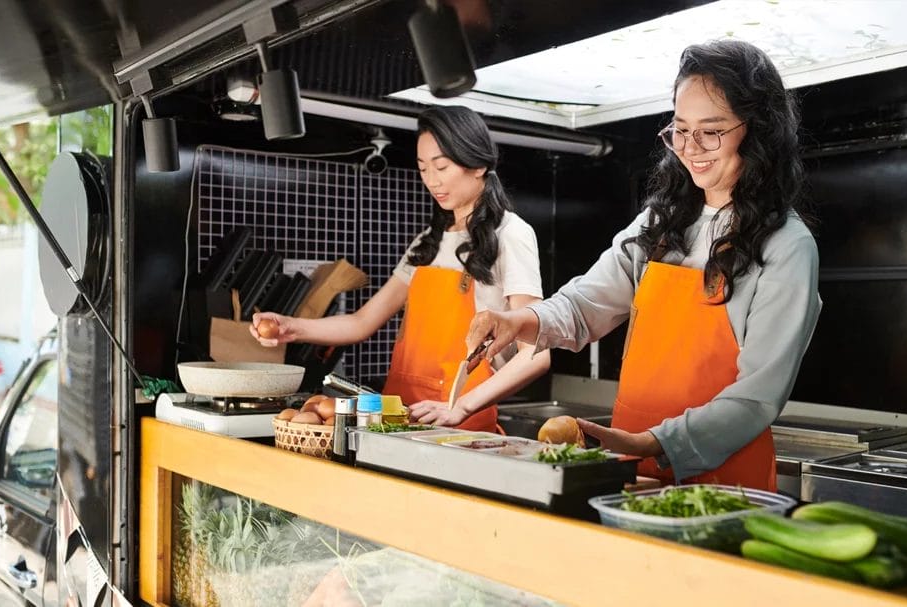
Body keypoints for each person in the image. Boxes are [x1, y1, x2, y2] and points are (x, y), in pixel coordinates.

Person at [466, 40, 822, 491]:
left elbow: (756, 398)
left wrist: (653, 442)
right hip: (629, 468)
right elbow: (584, 304)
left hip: (721, 483)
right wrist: (519, 320)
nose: (691, 148)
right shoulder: (661, 221)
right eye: (680, 129)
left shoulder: (787, 245)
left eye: (710, 131)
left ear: (758, 131)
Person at [251, 105, 550, 433]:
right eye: (423, 169)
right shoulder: (428, 241)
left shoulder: (511, 234)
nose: (432, 181)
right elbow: (362, 322)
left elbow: (536, 353)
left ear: (478, 164)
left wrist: (460, 406)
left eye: (442, 166)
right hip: (401, 418)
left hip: (462, 426)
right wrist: (292, 328)